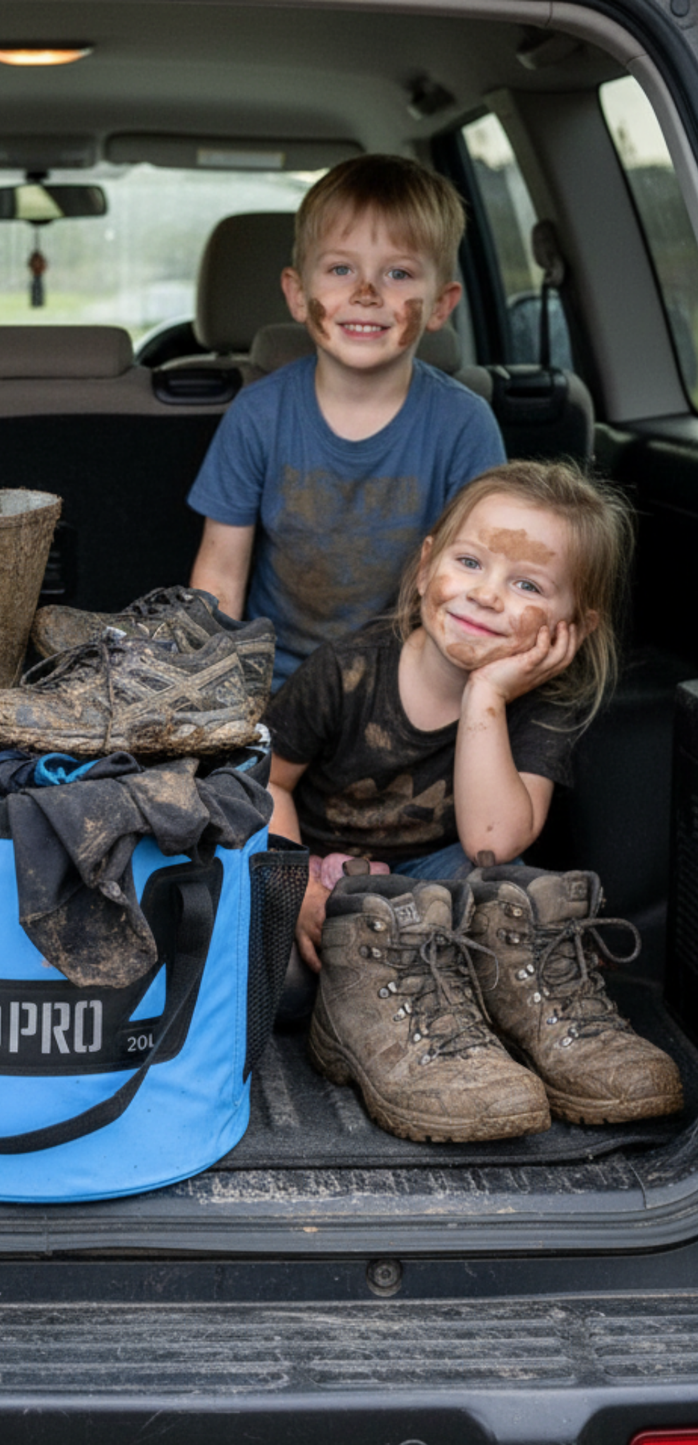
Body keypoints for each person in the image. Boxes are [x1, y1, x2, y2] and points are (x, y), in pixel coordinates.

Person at [264, 459, 634, 972]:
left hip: (433, 878)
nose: (485, 595)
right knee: (279, 983)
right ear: (424, 569)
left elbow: (490, 843)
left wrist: (486, 694)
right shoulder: (345, 672)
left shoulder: (546, 705)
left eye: (528, 586)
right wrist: (297, 888)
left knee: (508, 885)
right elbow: (270, 783)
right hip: (314, 868)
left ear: (573, 629)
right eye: (470, 562)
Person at [187, 154, 506, 690]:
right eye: (341, 269)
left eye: (398, 273)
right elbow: (220, 577)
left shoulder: (464, 424)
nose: (366, 292)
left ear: (439, 305)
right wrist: (212, 690)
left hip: (410, 683)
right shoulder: (259, 415)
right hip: (277, 680)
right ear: (296, 293)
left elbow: (480, 587)